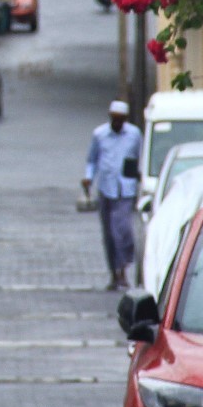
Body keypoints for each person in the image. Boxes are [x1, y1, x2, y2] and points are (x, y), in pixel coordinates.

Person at [82, 99, 144, 290]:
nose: (116, 123)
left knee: (122, 230)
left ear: (125, 119)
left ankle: (124, 269)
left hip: (126, 190)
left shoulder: (134, 135)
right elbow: (92, 160)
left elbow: (141, 157)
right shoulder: (100, 135)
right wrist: (88, 178)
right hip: (106, 189)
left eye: (120, 120)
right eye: (114, 119)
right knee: (109, 234)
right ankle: (114, 274)